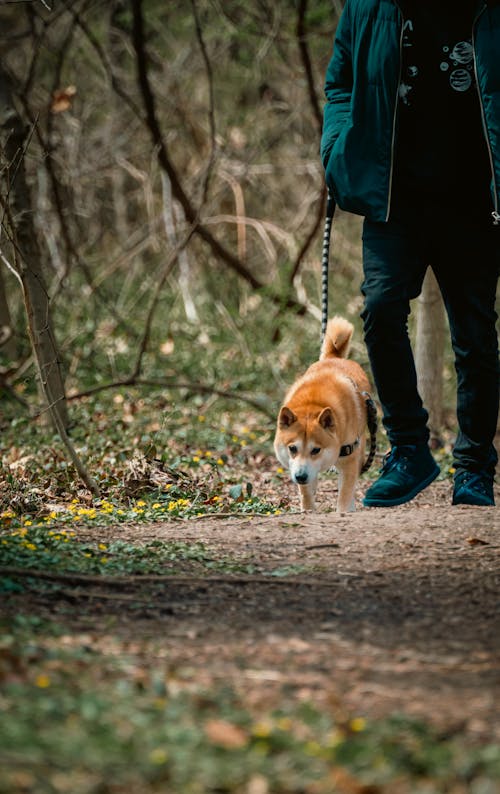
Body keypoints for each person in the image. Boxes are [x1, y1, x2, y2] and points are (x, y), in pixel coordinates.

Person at [321, 0, 500, 507]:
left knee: (476, 335)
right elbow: (340, 85)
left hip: (473, 201)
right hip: (394, 200)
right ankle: (409, 451)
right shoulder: (368, 7)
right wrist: (337, 151)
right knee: (379, 311)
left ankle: (474, 469)